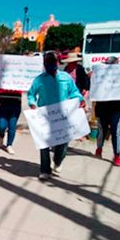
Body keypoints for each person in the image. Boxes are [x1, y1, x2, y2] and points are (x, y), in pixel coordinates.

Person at [27, 52, 85, 180]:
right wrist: (32, 104)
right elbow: (31, 94)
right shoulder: (39, 79)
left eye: (51, 62)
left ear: (57, 63)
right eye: (47, 63)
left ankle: (58, 161)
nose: (49, 65)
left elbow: (74, 92)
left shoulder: (66, 78)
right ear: (44, 64)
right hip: (44, 116)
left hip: (63, 116)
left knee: (63, 143)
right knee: (44, 144)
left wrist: (79, 99)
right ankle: (45, 170)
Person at [93, 56, 120, 167]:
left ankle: (117, 155)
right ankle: (99, 148)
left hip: (116, 110)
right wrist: (92, 78)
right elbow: (92, 86)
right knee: (102, 130)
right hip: (102, 108)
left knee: (115, 132)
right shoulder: (100, 75)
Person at [0, 68, 22, 155]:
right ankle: (1, 136)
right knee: (1, 125)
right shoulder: (1, 74)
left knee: (12, 126)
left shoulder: (21, 75)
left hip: (15, 104)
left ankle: (9, 145)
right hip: (3, 104)